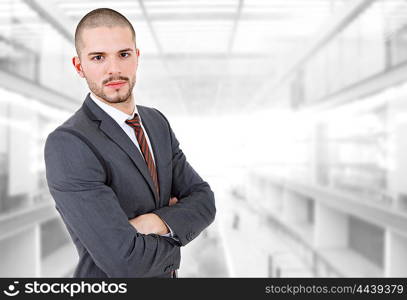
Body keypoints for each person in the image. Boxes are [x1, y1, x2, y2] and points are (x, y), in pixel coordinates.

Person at [44, 8, 216, 278]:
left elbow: (205, 201)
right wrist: (176, 230)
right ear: (80, 66)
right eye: (98, 57)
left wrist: (154, 222)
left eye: (124, 54)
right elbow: (126, 262)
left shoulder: (156, 122)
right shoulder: (69, 144)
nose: (114, 69)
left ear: (137, 57)